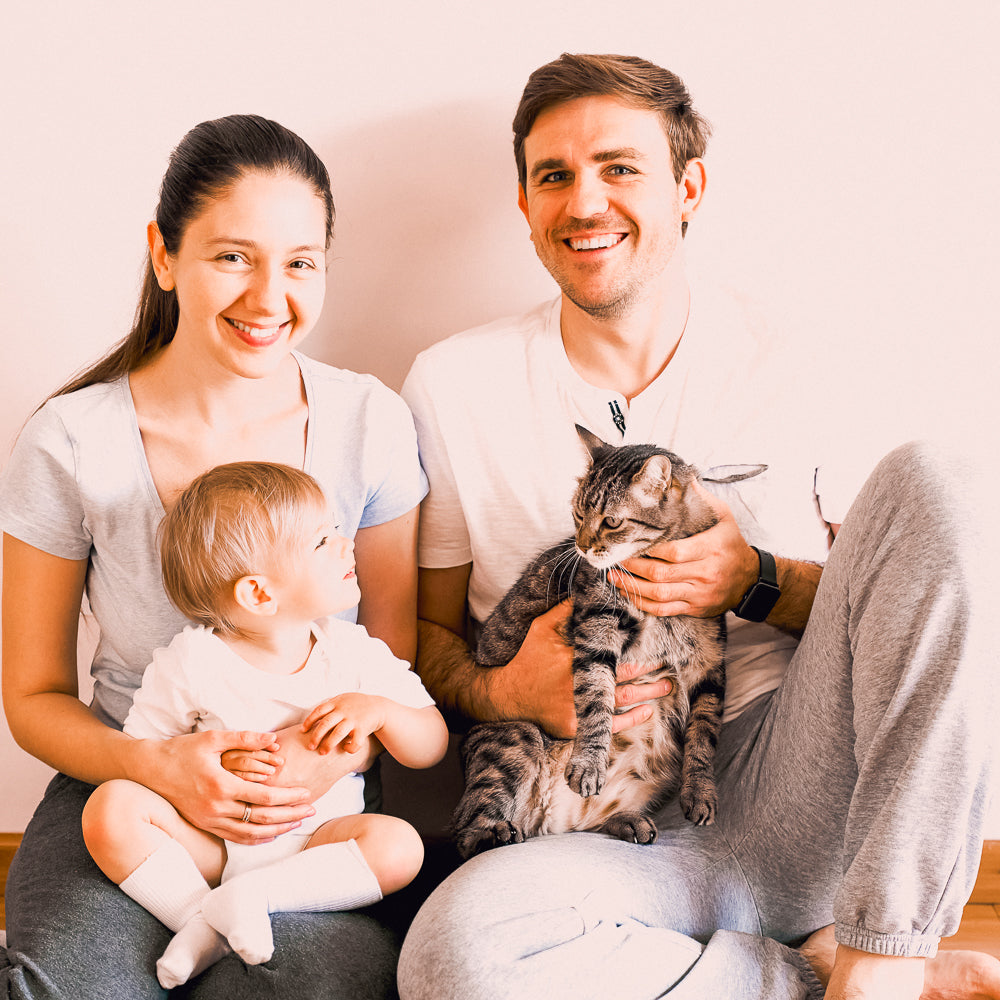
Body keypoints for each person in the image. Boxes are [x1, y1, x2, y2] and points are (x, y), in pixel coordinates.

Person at [396, 53, 999, 1000]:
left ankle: (884, 957)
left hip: (784, 775)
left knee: (946, 483)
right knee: (454, 957)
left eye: (620, 167)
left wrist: (755, 579)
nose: (585, 200)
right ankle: (808, 969)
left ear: (690, 187)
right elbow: (414, 642)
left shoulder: (793, 354)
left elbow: (892, 610)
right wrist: (499, 681)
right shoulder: (451, 384)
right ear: (523, 205)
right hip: (604, 825)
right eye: (553, 175)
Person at [1, 114, 428, 999]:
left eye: (300, 262)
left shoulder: (368, 421)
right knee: (64, 986)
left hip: (311, 805)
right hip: (132, 788)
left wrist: (320, 764)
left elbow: (393, 660)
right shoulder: (72, 440)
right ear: (165, 255)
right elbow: (34, 698)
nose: (270, 297)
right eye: (233, 256)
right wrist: (157, 768)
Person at [81, 461, 449, 988]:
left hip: (318, 844)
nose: (347, 545)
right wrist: (201, 764)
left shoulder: (353, 655)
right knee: (110, 808)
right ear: (258, 594)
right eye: (323, 541)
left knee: (400, 847)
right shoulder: (191, 662)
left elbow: (430, 745)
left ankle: (240, 904)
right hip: (216, 841)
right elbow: (146, 757)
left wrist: (381, 712)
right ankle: (199, 918)